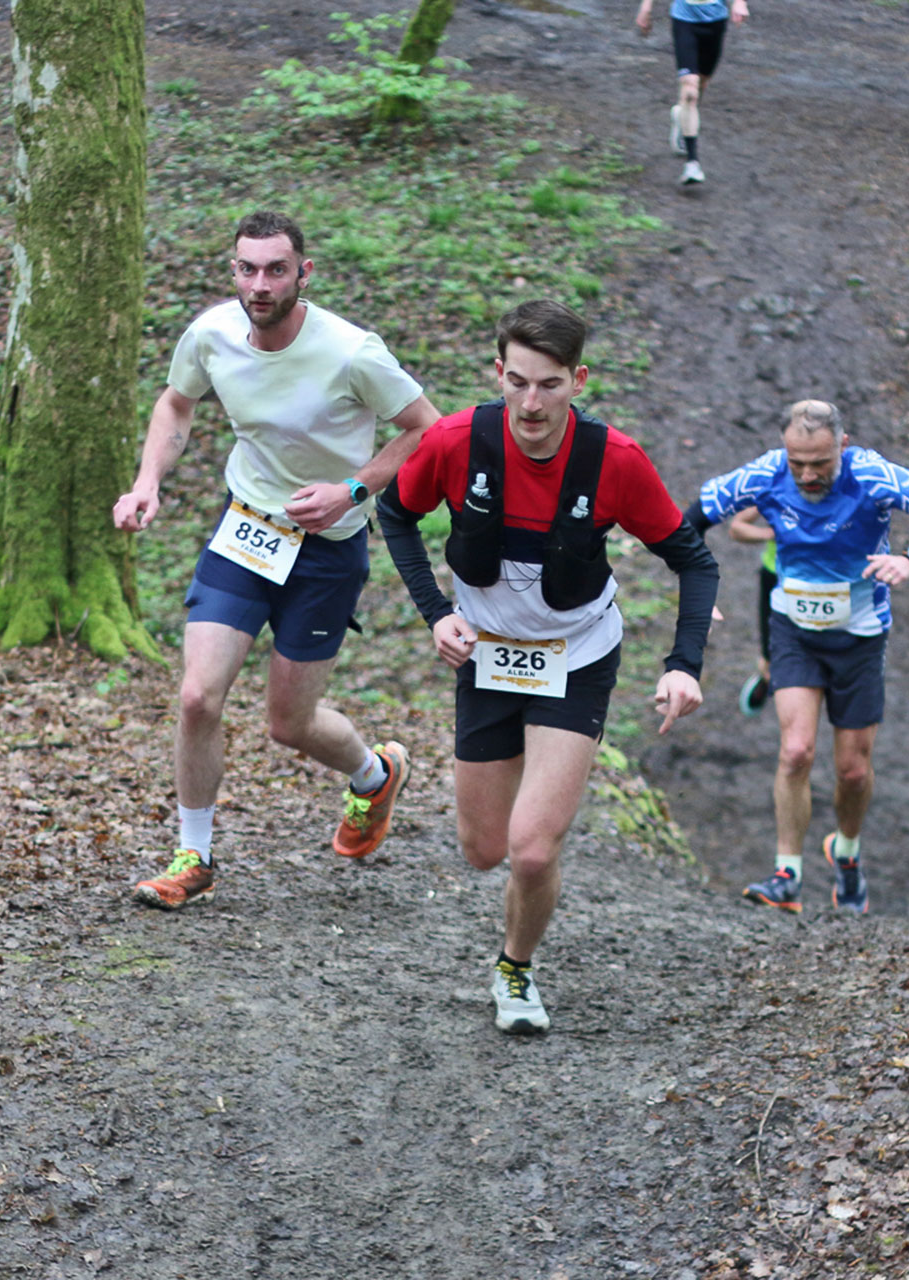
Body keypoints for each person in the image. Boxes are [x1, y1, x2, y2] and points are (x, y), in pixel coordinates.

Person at [376, 300, 718, 1033]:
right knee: (483, 851)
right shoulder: (456, 440)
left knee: (531, 852)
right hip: (488, 655)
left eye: (550, 385)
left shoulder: (614, 460)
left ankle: (516, 969)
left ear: (578, 381)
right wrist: (436, 613)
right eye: (518, 382)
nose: (531, 403)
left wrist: (683, 663)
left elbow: (694, 560)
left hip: (576, 656)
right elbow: (396, 514)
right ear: (498, 372)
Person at [115, 210, 441, 910]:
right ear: (233, 269)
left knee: (290, 724)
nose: (259, 285)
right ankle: (193, 856)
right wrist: (147, 483)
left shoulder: (352, 352)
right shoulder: (211, 335)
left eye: (275, 270)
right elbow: (175, 405)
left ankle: (374, 775)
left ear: (303, 272)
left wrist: (353, 488)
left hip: (327, 552)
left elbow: (427, 429)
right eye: (247, 269)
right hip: (245, 533)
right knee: (198, 696)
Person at [687, 400, 909, 915]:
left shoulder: (872, 475)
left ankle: (846, 851)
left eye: (819, 462)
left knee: (853, 771)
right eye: (797, 462)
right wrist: (697, 588)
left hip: (860, 637)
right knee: (796, 751)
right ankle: (787, 874)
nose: (807, 475)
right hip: (793, 632)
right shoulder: (766, 474)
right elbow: (691, 520)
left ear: (842, 444)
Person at [635, 0, 749, 186]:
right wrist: (646, 7)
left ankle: (681, 117)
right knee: (690, 88)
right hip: (684, 19)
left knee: (701, 84)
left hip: (715, 20)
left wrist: (739, 2)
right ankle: (692, 163)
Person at [726, 506, 775, 715]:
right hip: (776, 575)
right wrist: (772, 534)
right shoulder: (776, 488)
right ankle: (767, 675)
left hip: (827, 583)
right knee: (770, 654)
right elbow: (737, 528)